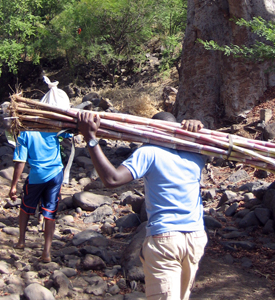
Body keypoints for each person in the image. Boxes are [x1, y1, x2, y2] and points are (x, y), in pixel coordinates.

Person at [77, 110, 208, 300]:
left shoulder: (149, 152)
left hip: (165, 240)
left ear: (151, 131)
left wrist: (90, 138)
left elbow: (112, 179)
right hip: (196, 238)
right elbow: (204, 138)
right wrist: (197, 125)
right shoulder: (195, 154)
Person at [9, 77, 72, 263]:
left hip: (37, 176)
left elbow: (20, 161)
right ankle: (46, 252)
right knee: (50, 211)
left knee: (25, 207)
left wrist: (13, 185)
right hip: (55, 175)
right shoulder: (55, 127)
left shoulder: (26, 131)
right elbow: (71, 130)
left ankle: (21, 241)